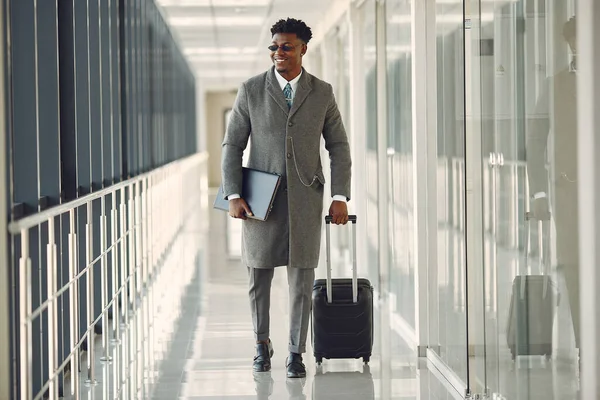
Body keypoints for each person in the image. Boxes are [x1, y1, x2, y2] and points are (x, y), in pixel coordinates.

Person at [220, 18, 352, 379]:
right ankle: (262, 345)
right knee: (258, 278)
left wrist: (340, 195)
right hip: (260, 203)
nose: (278, 53)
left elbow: (338, 145)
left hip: (306, 201)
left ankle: (296, 351)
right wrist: (233, 193)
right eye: (274, 47)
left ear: (303, 49)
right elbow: (233, 144)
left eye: (286, 47)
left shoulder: (321, 92)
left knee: (301, 282)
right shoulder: (251, 90)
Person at [527, 16, 580, 358]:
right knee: (576, 269)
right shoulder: (555, 85)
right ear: (571, 43)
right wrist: (540, 193)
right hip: (569, 194)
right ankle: (585, 347)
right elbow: (534, 142)